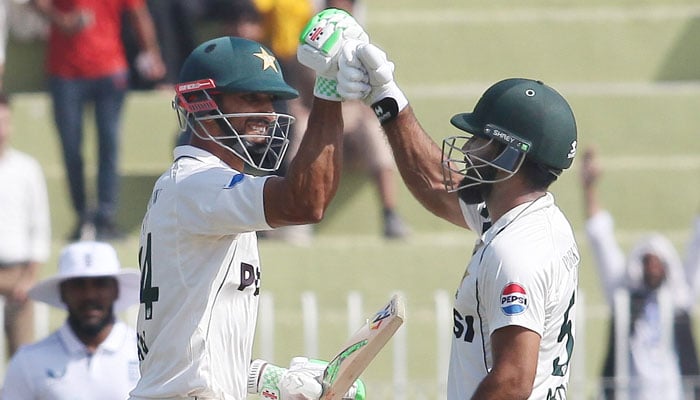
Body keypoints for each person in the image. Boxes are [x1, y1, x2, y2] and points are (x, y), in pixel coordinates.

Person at [128, 14, 368, 398]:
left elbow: (187, 348)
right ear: (201, 103)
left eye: (271, 99)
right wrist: (327, 89)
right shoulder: (197, 184)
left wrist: (268, 379)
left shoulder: (193, 189)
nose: (269, 113)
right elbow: (307, 202)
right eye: (250, 97)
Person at [332, 36, 581, 397]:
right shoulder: (529, 219)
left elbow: (512, 382)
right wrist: (386, 98)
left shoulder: (515, 254)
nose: (465, 150)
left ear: (510, 157)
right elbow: (436, 183)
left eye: (479, 140)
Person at [30, 0, 166, 241]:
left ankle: (105, 216)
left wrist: (151, 52)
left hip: (109, 69)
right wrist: (62, 20)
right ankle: (83, 215)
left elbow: (139, 14)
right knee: (72, 148)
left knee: (109, 145)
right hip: (65, 71)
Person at [581, 146, 700, 399]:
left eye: (658, 262)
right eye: (647, 261)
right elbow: (601, 239)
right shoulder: (623, 296)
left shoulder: (681, 298)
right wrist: (589, 187)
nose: (652, 267)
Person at [1, 241, 141, 399]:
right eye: (79, 285)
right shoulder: (28, 361)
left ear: (116, 289)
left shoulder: (144, 355)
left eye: (100, 283)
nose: (90, 295)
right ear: (62, 292)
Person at [0, 92, 51, 357]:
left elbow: (39, 225)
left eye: (4, 120)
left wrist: (30, 277)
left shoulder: (26, 168)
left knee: (23, 357)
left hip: (18, 274)